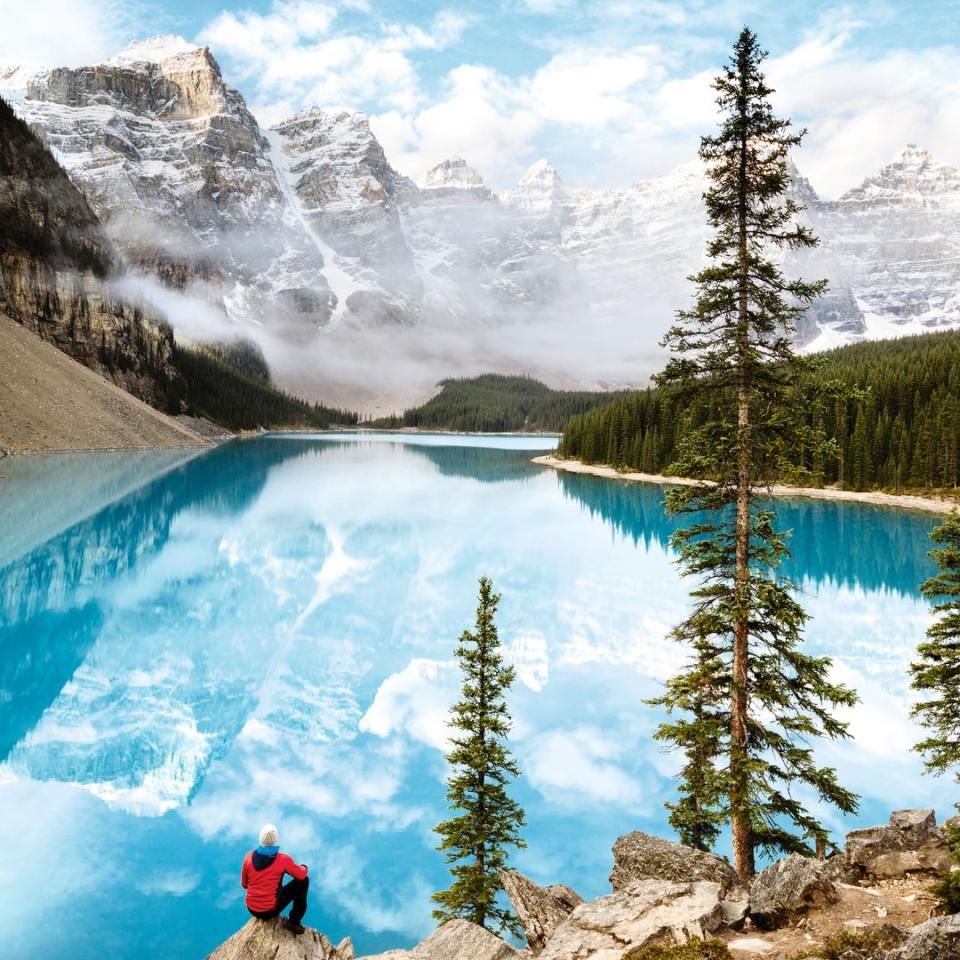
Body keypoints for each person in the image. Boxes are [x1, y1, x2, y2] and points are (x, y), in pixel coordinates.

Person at [241, 823, 310, 935]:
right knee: (304, 881)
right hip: (269, 911)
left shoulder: (248, 857)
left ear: (260, 839)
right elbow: (301, 875)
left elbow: (244, 884)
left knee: (275, 885)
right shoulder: (283, 859)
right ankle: (293, 922)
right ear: (276, 840)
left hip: (251, 908)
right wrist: (304, 867)